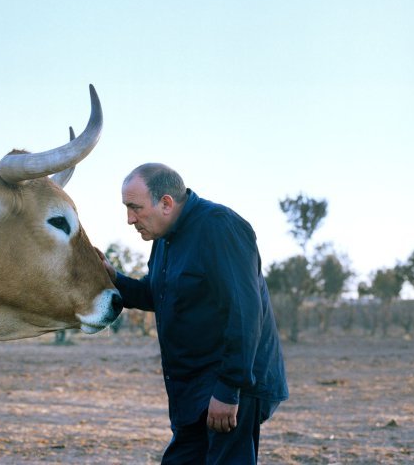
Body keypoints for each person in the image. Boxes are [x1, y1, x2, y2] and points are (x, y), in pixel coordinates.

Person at [100, 163, 288, 464]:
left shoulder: (220, 227)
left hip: (234, 383)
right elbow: (157, 294)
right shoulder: (164, 238)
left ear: (166, 203)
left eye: (135, 208)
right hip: (194, 388)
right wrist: (114, 277)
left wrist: (228, 390)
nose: (129, 219)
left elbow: (245, 311)